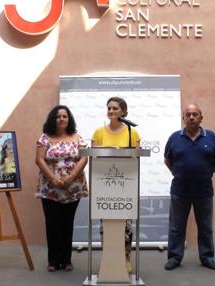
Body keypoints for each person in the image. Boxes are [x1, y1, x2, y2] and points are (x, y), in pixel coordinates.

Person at [163, 104, 215, 271]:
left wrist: (207, 173)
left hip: (204, 191)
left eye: (195, 114)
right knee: (176, 227)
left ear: (201, 117)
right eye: (188, 114)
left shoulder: (211, 137)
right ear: (183, 118)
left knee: (205, 226)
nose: (191, 117)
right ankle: (174, 257)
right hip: (179, 191)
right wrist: (179, 173)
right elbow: (168, 160)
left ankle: (207, 257)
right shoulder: (175, 137)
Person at [35, 105, 88, 272]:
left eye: (65, 116)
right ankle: (53, 261)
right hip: (49, 187)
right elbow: (39, 160)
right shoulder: (45, 138)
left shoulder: (77, 137)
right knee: (52, 223)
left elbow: (84, 158)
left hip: (73, 187)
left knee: (67, 223)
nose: (62, 119)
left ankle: (66, 260)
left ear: (69, 119)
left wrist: (70, 178)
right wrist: (53, 178)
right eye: (58, 117)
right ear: (53, 119)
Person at [91, 96, 141, 273]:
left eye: (115, 108)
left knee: (125, 226)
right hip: (104, 186)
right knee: (106, 225)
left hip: (125, 186)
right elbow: (94, 157)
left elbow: (136, 156)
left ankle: (126, 259)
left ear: (123, 112)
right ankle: (108, 259)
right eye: (109, 108)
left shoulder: (131, 132)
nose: (111, 111)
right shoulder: (98, 132)